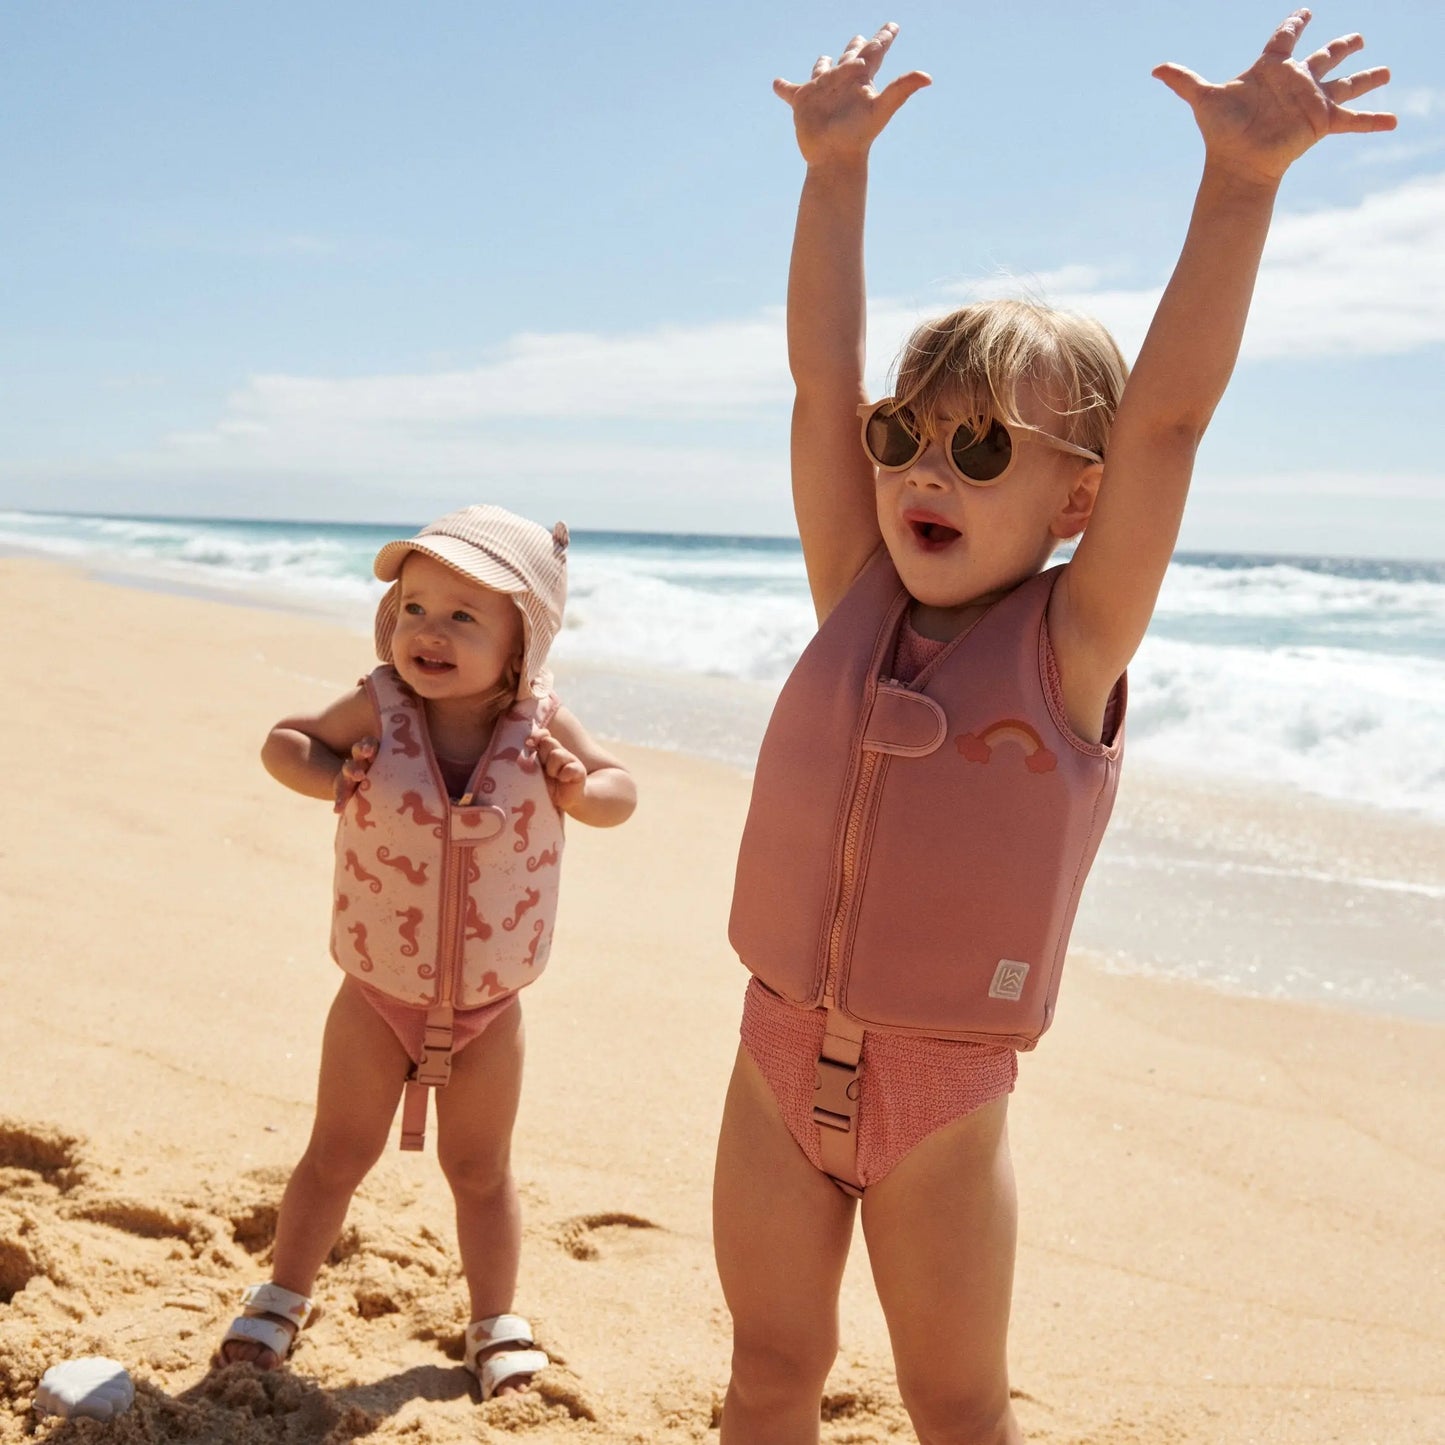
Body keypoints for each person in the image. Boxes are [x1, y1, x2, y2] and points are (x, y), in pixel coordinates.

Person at [714, 14, 1392, 1443]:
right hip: (775, 1058)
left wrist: (1242, 186)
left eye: (977, 446)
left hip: (939, 1100)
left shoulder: (1070, 649)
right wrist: (830, 175)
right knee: (770, 1371)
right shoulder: (854, 588)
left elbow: (1163, 427)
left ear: (1070, 503)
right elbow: (816, 383)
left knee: (953, 1401)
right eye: (904, 434)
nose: (915, 469)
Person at [217, 505, 636, 1399]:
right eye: (412, 608)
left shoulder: (544, 722)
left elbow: (619, 790)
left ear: (521, 643)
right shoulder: (379, 705)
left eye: (460, 616)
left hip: (491, 1008)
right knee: (334, 1152)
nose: (427, 632)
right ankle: (283, 1294)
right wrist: (335, 778)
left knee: (480, 1170)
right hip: (374, 992)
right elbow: (284, 742)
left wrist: (579, 787)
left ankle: (493, 1320)